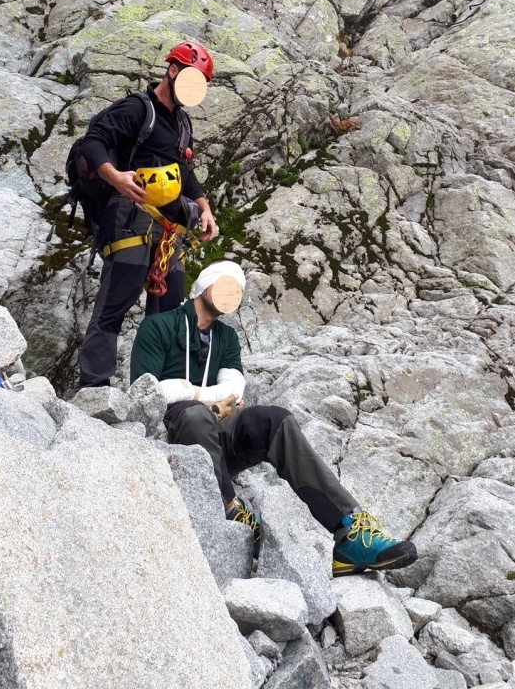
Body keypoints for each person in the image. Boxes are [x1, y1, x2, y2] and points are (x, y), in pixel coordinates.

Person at [129, 260, 418, 576]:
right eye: (227, 284)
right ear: (205, 283)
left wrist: (192, 393)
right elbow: (148, 390)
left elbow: (234, 389)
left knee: (274, 420)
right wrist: (205, 399)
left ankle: (348, 530)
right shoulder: (157, 326)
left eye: (238, 290)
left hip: (215, 432)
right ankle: (232, 512)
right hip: (172, 435)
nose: (233, 293)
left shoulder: (227, 338)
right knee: (196, 415)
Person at [77, 42, 217, 388]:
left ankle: (162, 390)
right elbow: (91, 142)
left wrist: (204, 207)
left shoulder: (182, 123)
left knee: (169, 312)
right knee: (115, 303)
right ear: (172, 71)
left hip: (169, 230)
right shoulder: (137, 110)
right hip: (129, 218)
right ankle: (94, 388)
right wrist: (115, 177)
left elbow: (185, 173)